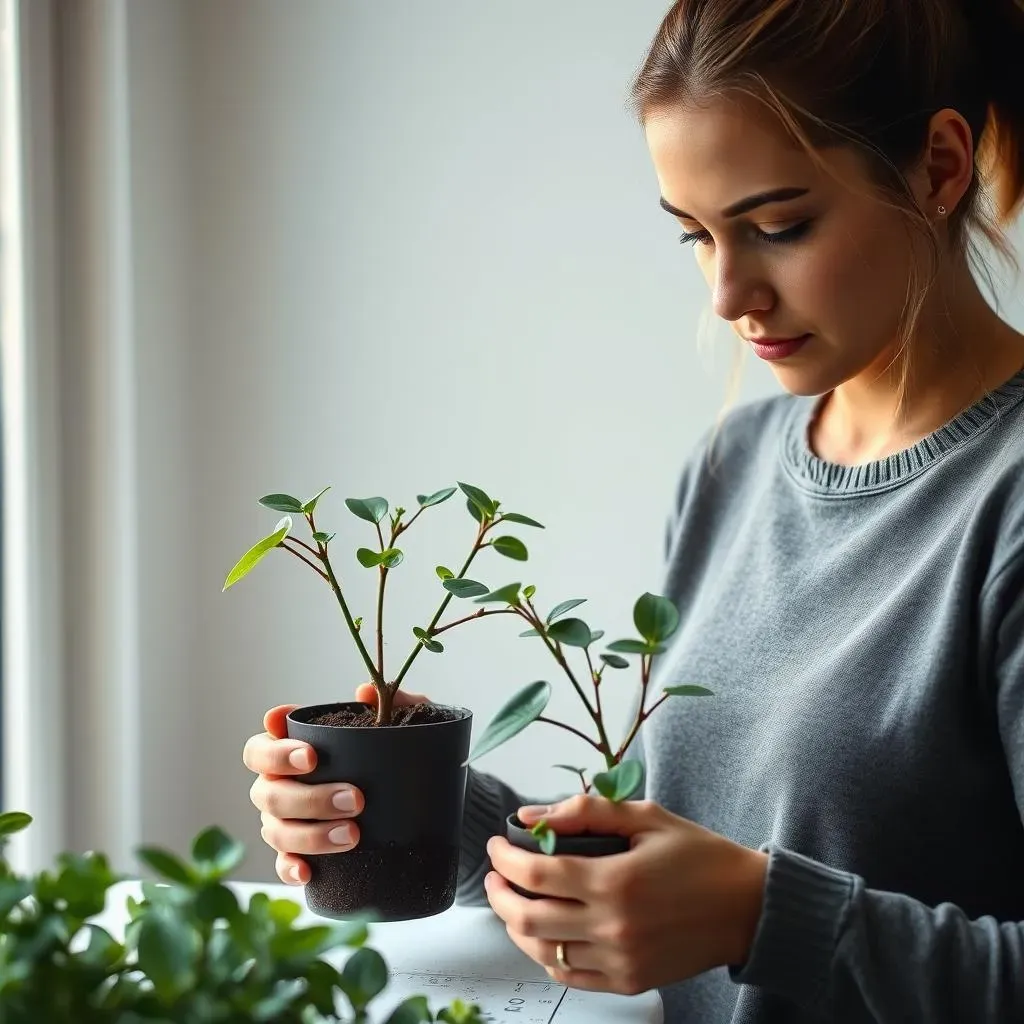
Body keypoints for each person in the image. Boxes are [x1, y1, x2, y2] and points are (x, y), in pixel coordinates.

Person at [242, 0, 1024, 1019]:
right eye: (696, 235)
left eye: (778, 227)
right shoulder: (731, 470)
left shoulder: (1002, 501)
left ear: (938, 164)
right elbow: (680, 861)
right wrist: (409, 812)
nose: (727, 292)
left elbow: (744, 906)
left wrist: (757, 917)